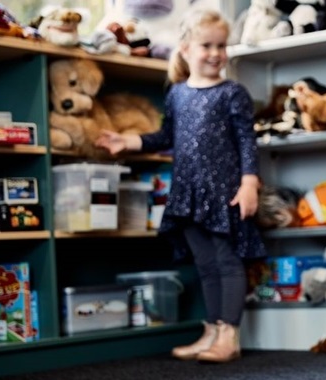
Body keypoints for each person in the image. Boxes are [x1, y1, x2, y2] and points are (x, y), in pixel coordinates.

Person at [95, 9, 266, 363]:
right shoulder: (176, 94)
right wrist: (127, 142)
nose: (216, 53)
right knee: (204, 264)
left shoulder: (232, 93)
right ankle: (211, 330)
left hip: (223, 192)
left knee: (227, 261)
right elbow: (166, 136)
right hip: (187, 193)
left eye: (221, 45)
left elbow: (247, 141)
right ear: (186, 48)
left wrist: (249, 183)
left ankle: (229, 335)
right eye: (207, 45)